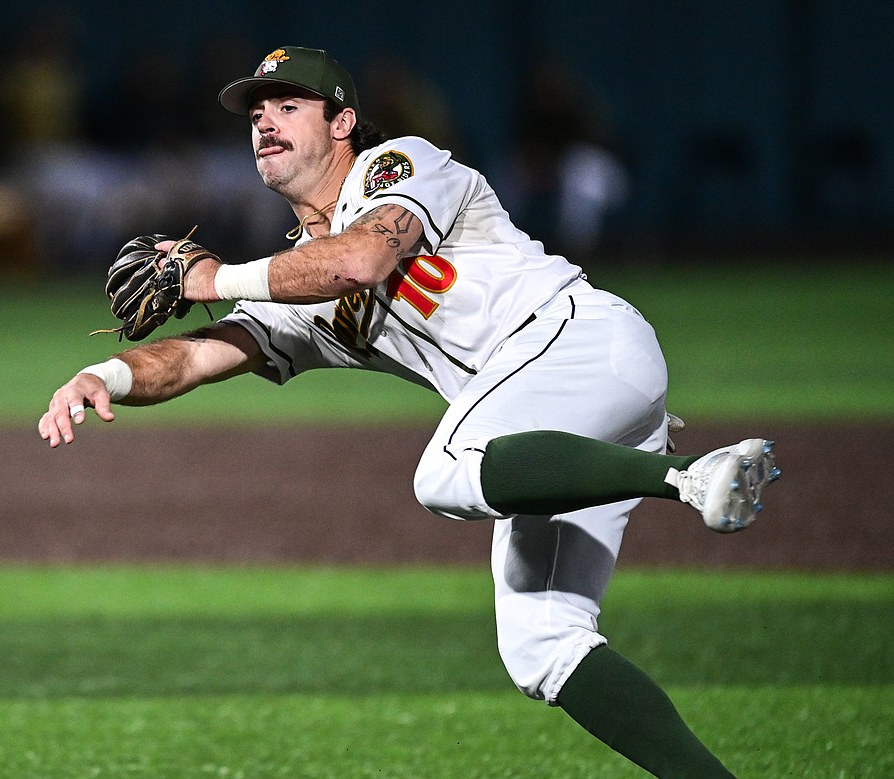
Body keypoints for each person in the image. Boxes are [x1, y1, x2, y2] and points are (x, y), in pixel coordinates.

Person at [39, 46, 779, 778]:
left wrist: (211, 276)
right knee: (543, 645)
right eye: (257, 113)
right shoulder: (294, 285)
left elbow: (359, 259)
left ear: (343, 122)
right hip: (554, 409)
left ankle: (687, 475)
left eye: (289, 106)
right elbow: (200, 354)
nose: (265, 122)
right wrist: (103, 373)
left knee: (445, 471)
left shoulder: (397, 166)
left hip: (577, 339)